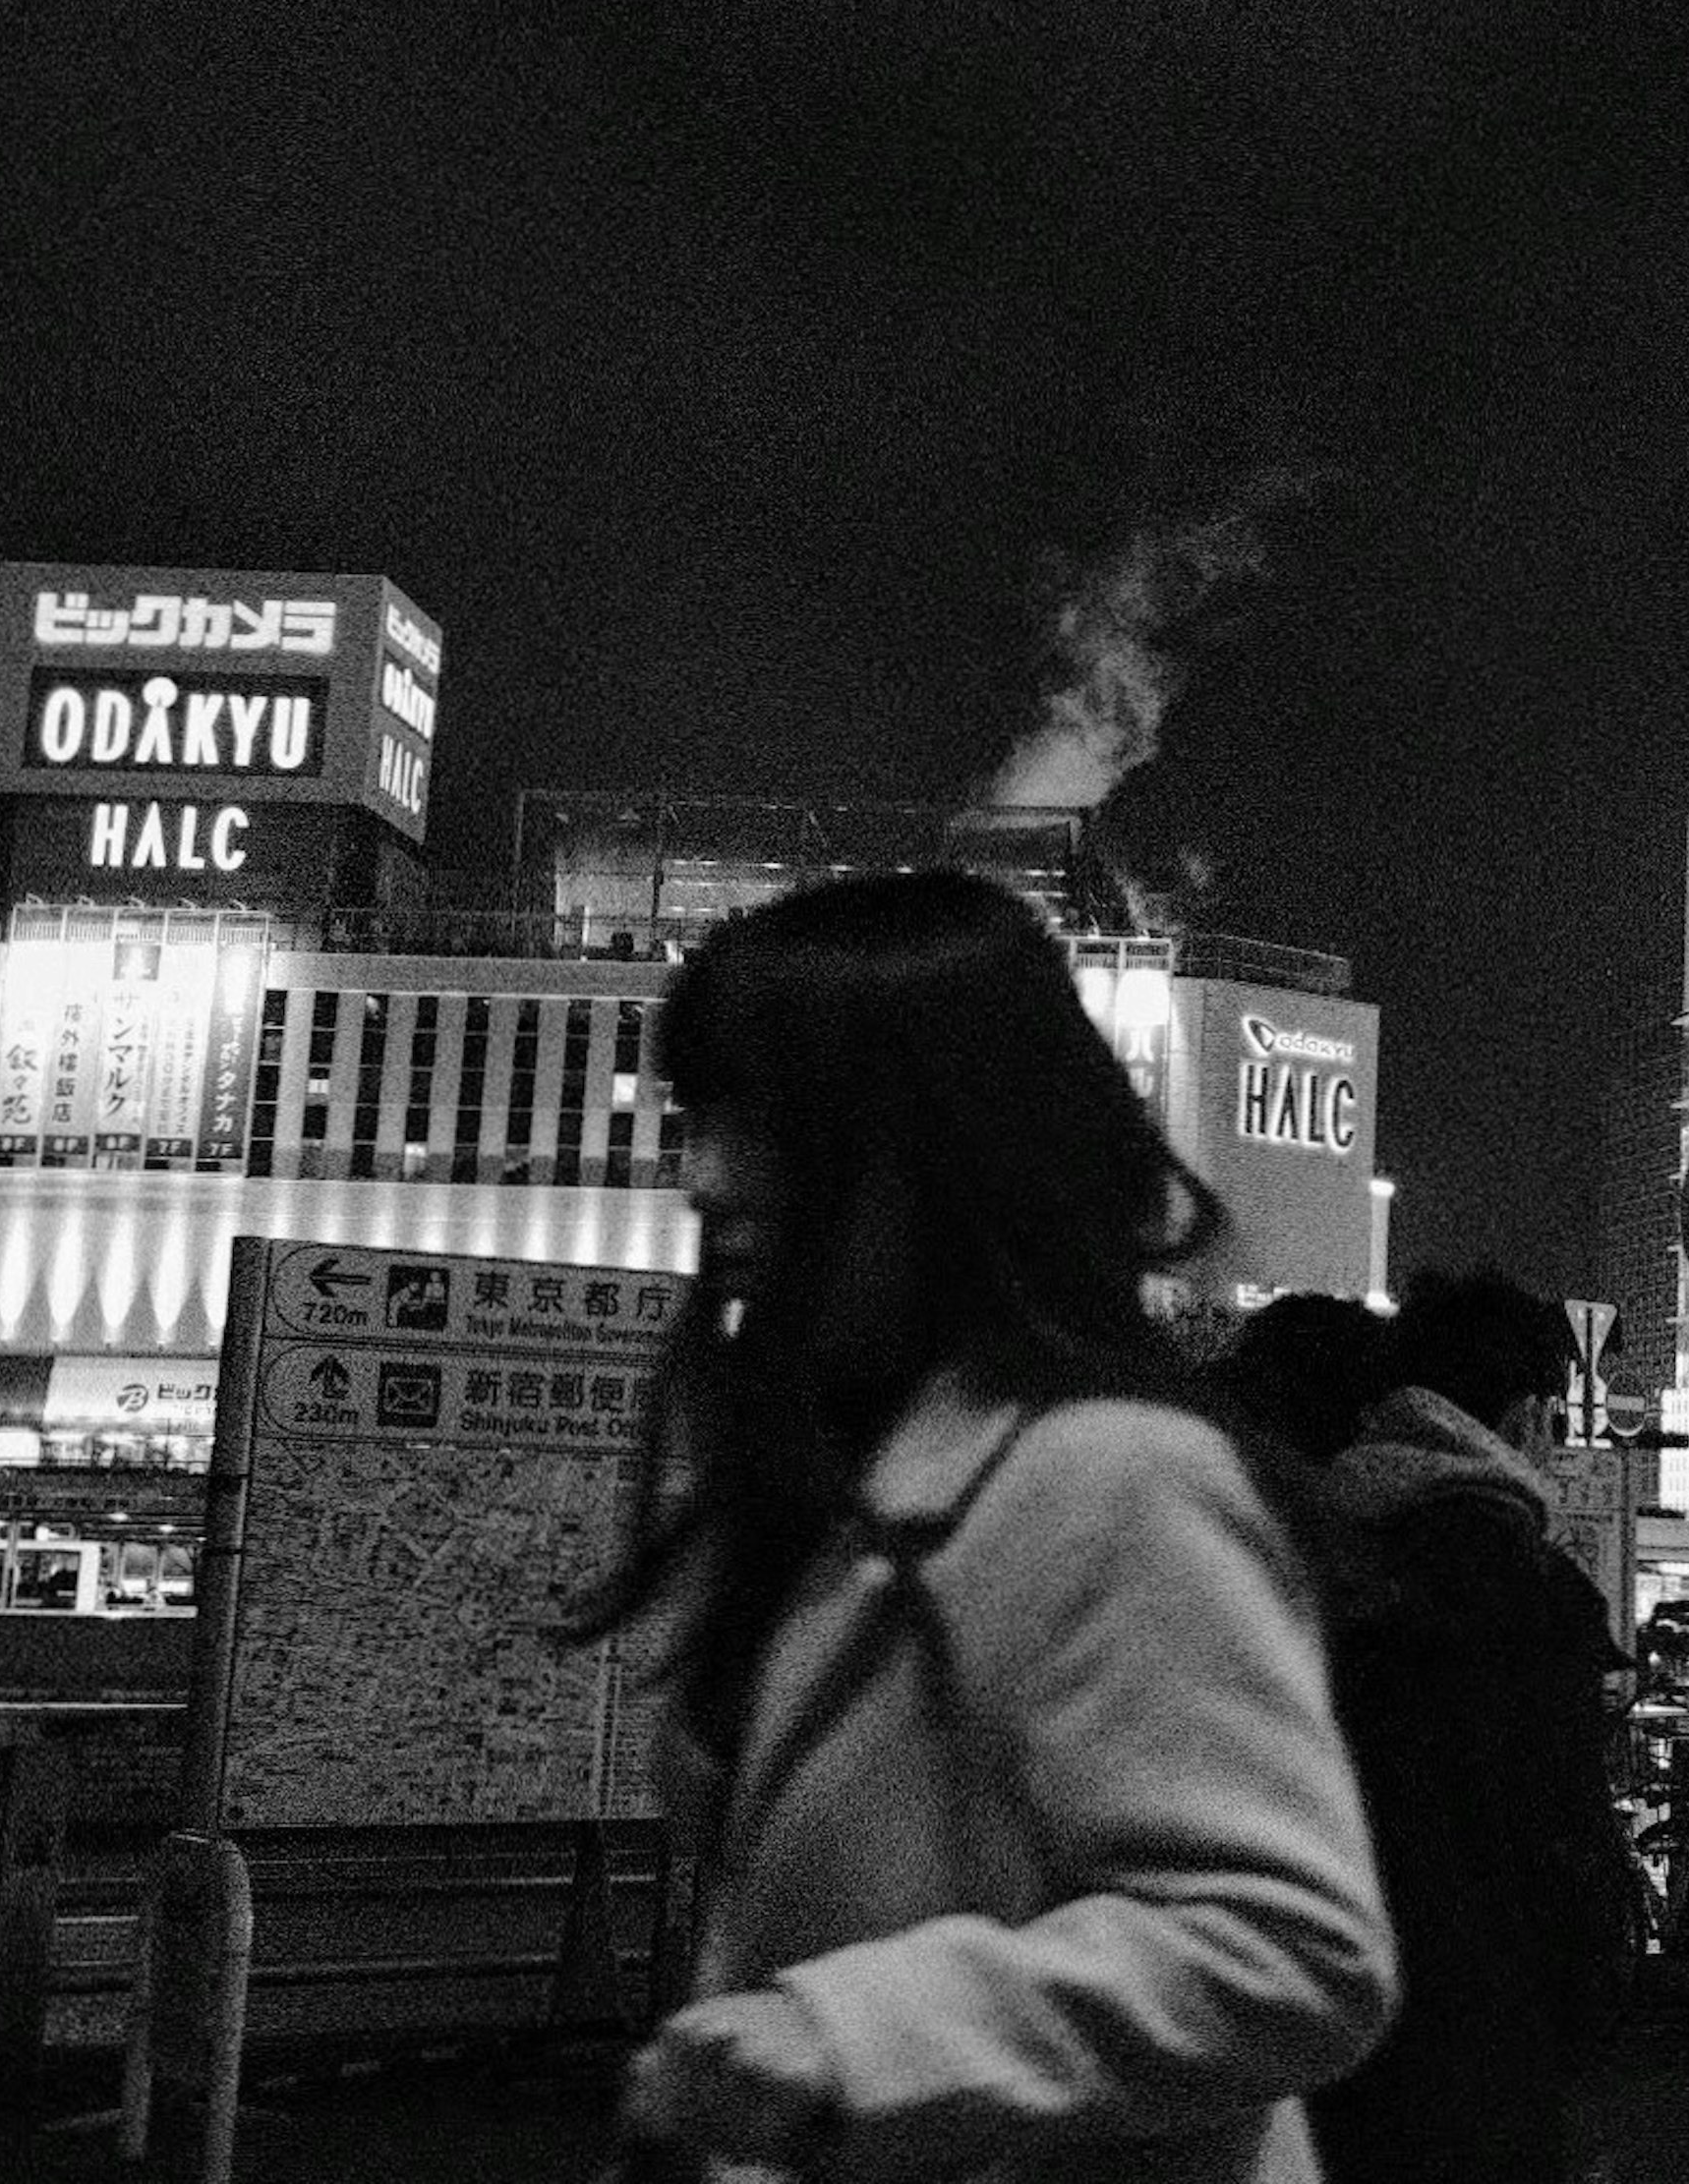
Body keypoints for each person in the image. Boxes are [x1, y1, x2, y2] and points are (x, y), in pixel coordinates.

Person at [573, 873, 1397, 2184]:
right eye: (699, 1120)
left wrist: (848, 2038)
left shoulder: (1115, 1479)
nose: (708, 1182)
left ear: (942, 1152)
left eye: (771, 1129)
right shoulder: (848, 1473)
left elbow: (1287, 1945)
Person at [1252, 1265, 1628, 2184]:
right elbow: (1565, 1856)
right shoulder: (1524, 1592)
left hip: (1325, 2062)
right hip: (1483, 2065)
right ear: (1527, 1418)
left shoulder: (1306, 1550)